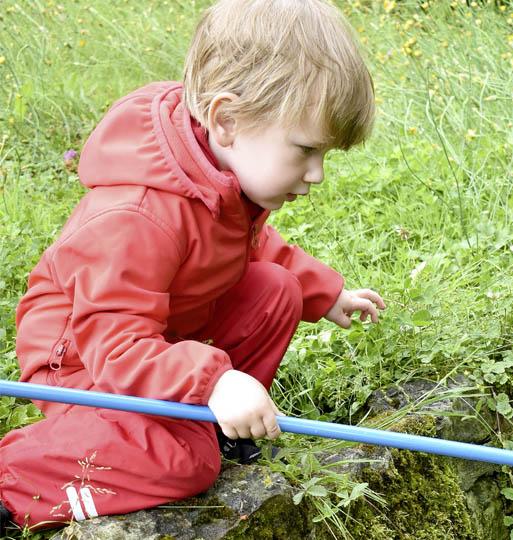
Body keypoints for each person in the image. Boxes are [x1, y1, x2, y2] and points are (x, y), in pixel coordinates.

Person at [0, 0, 384, 532]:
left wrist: (323, 291)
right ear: (227, 119)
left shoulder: (213, 168)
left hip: (156, 329)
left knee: (278, 289)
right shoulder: (137, 216)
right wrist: (212, 382)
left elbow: (248, 246)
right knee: (184, 464)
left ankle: (211, 426)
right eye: (305, 150)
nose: (316, 174)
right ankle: (15, 481)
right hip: (84, 361)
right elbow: (114, 348)